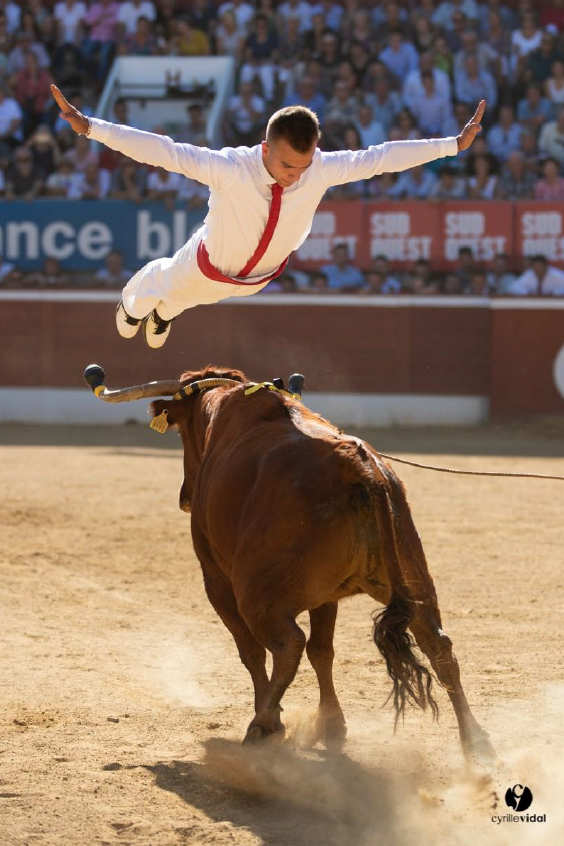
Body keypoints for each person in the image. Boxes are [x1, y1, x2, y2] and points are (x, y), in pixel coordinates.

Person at [51, 83, 486, 348]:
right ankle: (134, 303)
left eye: (303, 165)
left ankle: (166, 313)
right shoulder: (229, 167)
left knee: (197, 298)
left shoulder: (321, 167)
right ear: (264, 149)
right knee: (166, 282)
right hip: (203, 262)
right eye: (286, 167)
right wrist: (93, 127)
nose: (297, 177)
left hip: (256, 281)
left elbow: (382, 157)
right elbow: (163, 151)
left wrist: (452, 145)